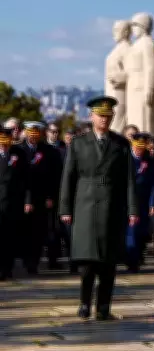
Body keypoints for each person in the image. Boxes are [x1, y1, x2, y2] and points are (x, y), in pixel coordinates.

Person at [59, 96, 138, 321]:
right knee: (86, 263)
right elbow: (68, 178)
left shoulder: (121, 144)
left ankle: (103, 307)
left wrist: (133, 209)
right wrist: (65, 208)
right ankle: (84, 303)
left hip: (112, 206)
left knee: (108, 263)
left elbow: (129, 180)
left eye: (108, 116)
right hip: (85, 205)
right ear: (91, 116)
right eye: (100, 115)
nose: (104, 119)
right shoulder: (78, 143)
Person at [20, 121, 61, 274]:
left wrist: (51, 196)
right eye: (31, 131)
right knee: (24, 232)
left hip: (42, 198)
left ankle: (33, 263)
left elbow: (55, 176)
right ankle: (25, 259)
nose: (33, 135)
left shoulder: (49, 151)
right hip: (22, 198)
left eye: (37, 131)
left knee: (38, 232)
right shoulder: (19, 150)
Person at [0, 127, 30, 281]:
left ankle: (8, 268)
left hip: (13, 203)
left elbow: (26, 180)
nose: (4, 143)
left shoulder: (18, 154)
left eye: (7, 139)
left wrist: (27, 201)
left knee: (9, 238)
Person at [126, 133, 154, 272]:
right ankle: (132, 261)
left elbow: (153, 184)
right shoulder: (126, 159)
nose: (139, 150)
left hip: (144, 201)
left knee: (141, 231)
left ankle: (138, 257)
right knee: (131, 231)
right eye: (137, 147)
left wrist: (152, 203)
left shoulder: (148, 161)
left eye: (142, 147)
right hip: (129, 201)